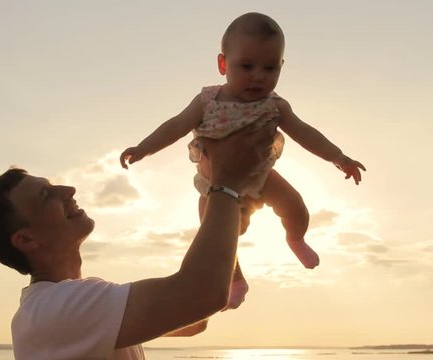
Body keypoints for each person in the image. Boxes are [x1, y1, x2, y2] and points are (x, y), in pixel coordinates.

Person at [119, 12, 366, 311]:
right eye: (246, 66)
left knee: (296, 205)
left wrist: (338, 158)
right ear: (223, 64)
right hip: (213, 185)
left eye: (269, 67)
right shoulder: (207, 101)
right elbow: (175, 126)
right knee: (213, 239)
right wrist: (144, 148)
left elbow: (305, 133)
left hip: (259, 177)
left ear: (281, 67)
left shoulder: (275, 105)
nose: (258, 76)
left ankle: (295, 238)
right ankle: (235, 280)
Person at [0, 120, 277, 359]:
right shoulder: (54, 310)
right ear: (26, 239)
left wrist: (223, 219)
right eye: (46, 195)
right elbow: (200, 295)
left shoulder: (62, 307)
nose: (67, 190)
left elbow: (195, 320)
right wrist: (225, 185)